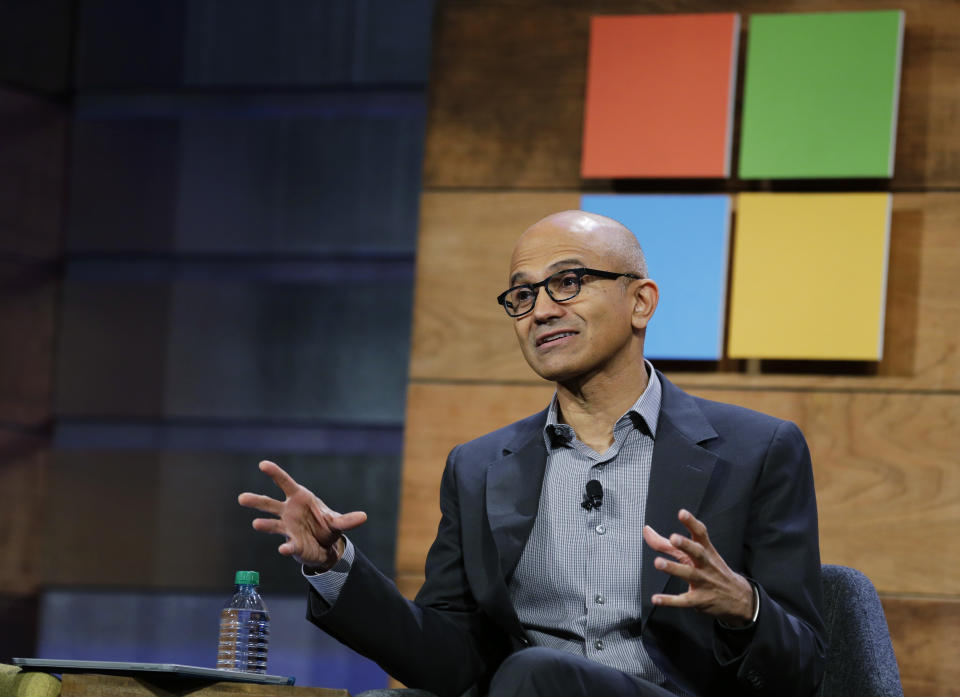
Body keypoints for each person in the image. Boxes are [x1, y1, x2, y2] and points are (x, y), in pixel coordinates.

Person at [239, 210, 826, 697]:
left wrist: (742, 606)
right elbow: (446, 658)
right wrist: (334, 563)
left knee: (531, 674)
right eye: (522, 295)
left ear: (640, 302)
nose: (542, 310)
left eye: (568, 282)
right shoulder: (478, 468)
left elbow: (804, 664)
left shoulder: (758, 450)